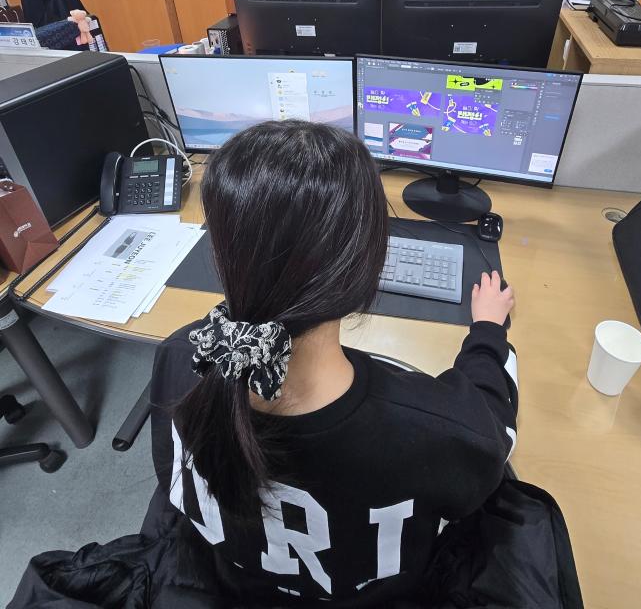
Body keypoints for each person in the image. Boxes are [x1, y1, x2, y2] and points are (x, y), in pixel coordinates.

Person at [149, 120, 517, 607]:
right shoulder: (433, 429)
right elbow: (493, 429)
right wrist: (488, 332)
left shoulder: (181, 357)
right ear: (368, 266)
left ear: (220, 252)